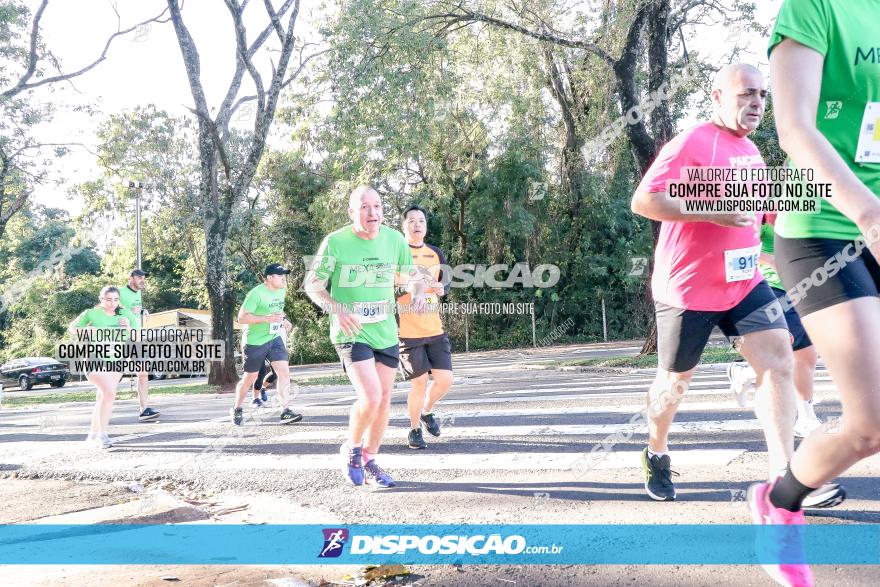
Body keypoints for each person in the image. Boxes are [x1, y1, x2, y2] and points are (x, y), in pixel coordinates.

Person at [630, 63, 828, 504]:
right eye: (745, 94)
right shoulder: (691, 143)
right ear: (717, 97)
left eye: (761, 94)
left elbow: (766, 211)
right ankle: (656, 448)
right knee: (673, 386)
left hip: (743, 282)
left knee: (779, 360)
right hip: (689, 289)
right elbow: (644, 200)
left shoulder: (751, 153)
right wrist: (710, 210)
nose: (756, 102)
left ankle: (785, 477)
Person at [748, 2, 880, 585]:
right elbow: (795, 127)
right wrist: (868, 215)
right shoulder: (816, 6)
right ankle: (780, 500)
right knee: (870, 424)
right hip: (825, 226)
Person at [304, 186, 426, 487]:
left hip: (385, 332)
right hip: (351, 332)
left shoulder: (394, 240)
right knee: (370, 397)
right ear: (351, 212)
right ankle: (352, 448)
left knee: (384, 401)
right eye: (364, 207)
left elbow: (413, 276)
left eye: (377, 206)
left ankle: (370, 458)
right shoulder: (336, 242)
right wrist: (337, 308)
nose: (372, 213)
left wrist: (418, 292)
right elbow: (313, 285)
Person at [728, 218, 823, 438]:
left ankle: (806, 418)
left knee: (807, 356)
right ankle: (744, 371)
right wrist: (770, 260)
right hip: (771, 286)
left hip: (804, 287)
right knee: (786, 344)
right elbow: (740, 243)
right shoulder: (760, 207)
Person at [397, 205, 453, 450]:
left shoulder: (436, 253)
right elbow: (389, 289)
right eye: (412, 221)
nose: (417, 224)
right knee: (418, 383)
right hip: (408, 332)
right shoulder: (396, 254)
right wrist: (408, 290)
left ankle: (427, 411)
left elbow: (445, 284)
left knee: (445, 380)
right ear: (404, 226)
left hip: (435, 328)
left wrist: (443, 289)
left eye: (421, 220)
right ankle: (414, 429)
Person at [231, 264, 302, 426]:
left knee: (284, 372)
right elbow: (241, 318)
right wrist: (265, 319)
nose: (284, 278)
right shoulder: (256, 294)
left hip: (274, 338)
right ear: (270, 278)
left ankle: (286, 411)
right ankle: (237, 407)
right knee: (250, 378)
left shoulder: (281, 290)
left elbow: (278, 311)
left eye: (284, 275)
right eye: (280, 276)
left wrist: (284, 320)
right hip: (255, 342)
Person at [69, 286, 139, 448]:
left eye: (115, 300)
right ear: (101, 299)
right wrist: (85, 330)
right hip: (95, 359)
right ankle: (103, 435)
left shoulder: (126, 314)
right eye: (108, 300)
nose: (112, 303)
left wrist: (128, 327)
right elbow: (72, 328)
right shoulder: (91, 313)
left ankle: (92, 435)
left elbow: (136, 337)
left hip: (117, 360)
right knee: (109, 393)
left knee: (103, 397)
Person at [118, 269, 159, 422]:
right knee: (114, 377)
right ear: (131, 278)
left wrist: (143, 310)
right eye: (139, 277)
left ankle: (144, 409)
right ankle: (103, 407)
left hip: (137, 339)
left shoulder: (138, 293)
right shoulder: (120, 292)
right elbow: (109, 309)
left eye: (144, 277)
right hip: (121, 340)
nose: (142, 280)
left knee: (143, 373)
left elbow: (135, 311)